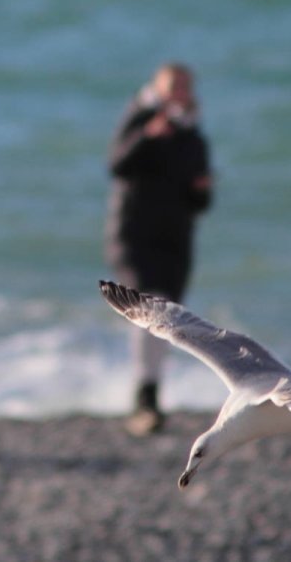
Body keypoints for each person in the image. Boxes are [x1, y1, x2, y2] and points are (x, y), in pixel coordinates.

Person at [105, 63, 214, 436]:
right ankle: (144, 397)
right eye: (172, 86)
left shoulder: (192, 136)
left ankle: (151, 394)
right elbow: (117, 164)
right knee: (146, 306)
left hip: (175, 237)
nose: (178, 93)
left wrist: (202, 189)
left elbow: (200, 201)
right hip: (134, 233)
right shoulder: (139, 118)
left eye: (184, 86)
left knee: (168, 315)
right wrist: (148, 136)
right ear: (157, 87)